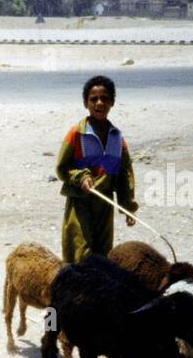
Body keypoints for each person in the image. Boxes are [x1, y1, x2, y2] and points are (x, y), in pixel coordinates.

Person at [55, 75, 138, 264]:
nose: (99, 103)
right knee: (80, 254)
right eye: (94, 99)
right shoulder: (76, 134)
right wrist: (81, 177)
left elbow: (124, 177)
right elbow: (62, 169)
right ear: (86, 103)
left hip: (105, 203)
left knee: (102, 257)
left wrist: (128, 207)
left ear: (112, 103)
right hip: (80, 203)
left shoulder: (117, 139)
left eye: (105, 98)